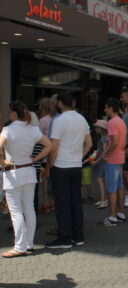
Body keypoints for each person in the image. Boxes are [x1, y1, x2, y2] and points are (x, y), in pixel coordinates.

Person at [0, 101, 52, 257]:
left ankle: (20, 246)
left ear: (14, 113)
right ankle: (28, 243)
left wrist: (2, 162)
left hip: (13, 173)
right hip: (29, 171)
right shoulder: (33, 129)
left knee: (16, 211)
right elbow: (49, 146)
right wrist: (36, 159)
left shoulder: (8, 129)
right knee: (29, 209)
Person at [46, 92, 92, 249]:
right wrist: (78, 156)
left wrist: (49, 165)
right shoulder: (81, 119)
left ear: (59, 103)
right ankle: (78, 236)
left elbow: (54, 147)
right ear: (72, 103)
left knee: (62, 204)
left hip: (61, 166)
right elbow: (89, 143)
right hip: (76, 166)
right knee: (75, 202)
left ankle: (64, 237)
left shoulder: (59, 121)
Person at [98, 98, 127, 227]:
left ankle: (112, 216)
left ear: (111, 108)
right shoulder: (121, 121)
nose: (105, 110)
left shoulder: (112, 122)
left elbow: (114, 142)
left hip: (113, 159)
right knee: (119, 187)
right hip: (120, 157)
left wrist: (106, 153)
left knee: (111, 188)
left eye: (106, 107)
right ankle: (120, 213)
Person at [92, 120, 108, 209]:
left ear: (101, 129)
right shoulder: (103, 137)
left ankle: (103, 200)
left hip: (102, 162)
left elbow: (104, 151)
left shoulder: (103, 138)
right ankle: (103, 199)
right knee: (101, 180)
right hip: (101, 161)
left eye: (97, 128)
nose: (95, 129)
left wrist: (97, 161)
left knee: (100, 180)